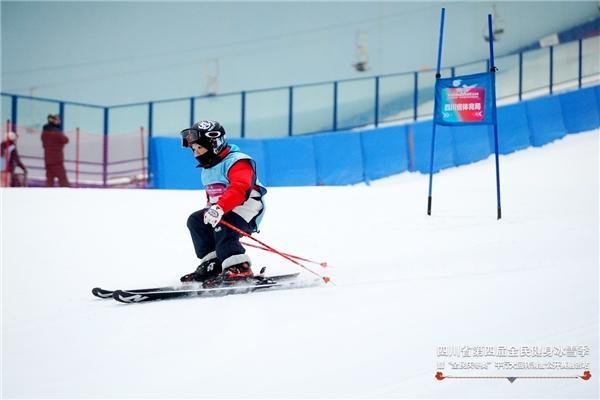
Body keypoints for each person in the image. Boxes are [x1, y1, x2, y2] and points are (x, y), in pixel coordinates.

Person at [179, 120, 267, 285]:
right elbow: (213, 196)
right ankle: (213, 263)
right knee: (196, 221)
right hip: (224, 209)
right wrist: (211, 210)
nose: (196, 153)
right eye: (194, 149)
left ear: (215, 144)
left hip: (247, 207)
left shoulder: (237, 161)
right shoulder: (208, 168)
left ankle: (239, 267)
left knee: (224, 223)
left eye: (200, 148)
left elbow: (239, 188)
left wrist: (219, 209)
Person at [41, 114, 70, 187]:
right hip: (57, 160)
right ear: (54, 121)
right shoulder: (57, 133)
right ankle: (69, 196)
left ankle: (48, 196)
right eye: (58, 120)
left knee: (49, 180)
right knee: (63, 180)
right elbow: (66, 140)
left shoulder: (44, 133)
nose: (59, 122)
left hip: (47, 159)